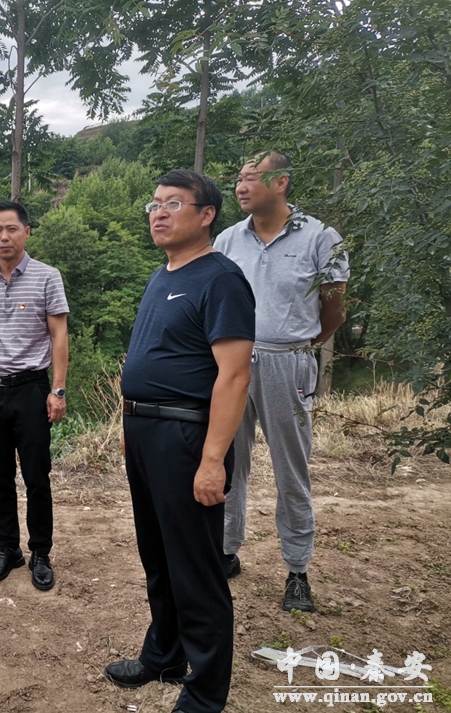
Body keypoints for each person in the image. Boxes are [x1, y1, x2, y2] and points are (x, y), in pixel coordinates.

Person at [104, 170, 255, 713]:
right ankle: (164, 655)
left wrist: (213, 459)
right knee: (159, 556)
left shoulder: (221, 279)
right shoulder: (161, 276)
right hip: (146, 432)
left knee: (195, 566)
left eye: (173, 203)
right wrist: (131, 425)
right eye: (154, 204)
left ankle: (206, 693)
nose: (158, 213)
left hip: (187, 436)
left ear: (207, 214)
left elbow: (234, 376)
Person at [215, 151, 349, 613]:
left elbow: (334, 310)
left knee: (291, 469)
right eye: (239, 177)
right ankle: (226, 551)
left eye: (251, 177)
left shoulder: (320, 237)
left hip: (287, 362)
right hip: (231, 363)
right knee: (228, 461)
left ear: (281, 182)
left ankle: (297, 570)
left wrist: (301, 346)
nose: (241, 185)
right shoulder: (228, 240)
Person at [0, 201, 69, 591]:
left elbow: (59, 334)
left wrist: (58, 389)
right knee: (0, 477)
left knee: (37, 475)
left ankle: (40, 552)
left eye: (11, 229)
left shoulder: (47, 277)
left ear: (26, 232)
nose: (4, 237)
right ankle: (8, 549)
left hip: (32, 389)